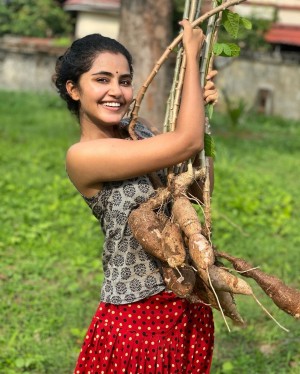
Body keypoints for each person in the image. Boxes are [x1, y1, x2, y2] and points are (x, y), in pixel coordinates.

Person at [53, 19, 218, 374]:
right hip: (136, 318)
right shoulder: (83, 157)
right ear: (73, 89)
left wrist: (201, 115)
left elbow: (191, 191)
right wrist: (191, 56)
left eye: (124, 80)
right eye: (102, 79)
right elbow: (184, 142)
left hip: (187, 298)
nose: (116, 91)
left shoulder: (140, 131)